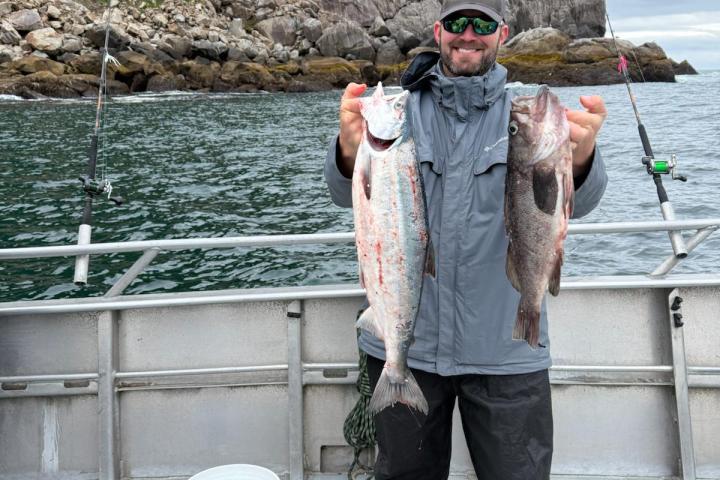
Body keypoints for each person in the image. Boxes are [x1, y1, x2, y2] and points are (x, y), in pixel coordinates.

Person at [324, 0, 609, 478]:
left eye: (482, 24)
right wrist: (349, 150)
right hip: (408, 349)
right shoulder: (400, 110)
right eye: (458, 23)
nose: (468, 34)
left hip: (507, 350)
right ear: (438, 32)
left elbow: (585, 201)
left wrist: (580, 160)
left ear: (502, 33)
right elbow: (340, 195)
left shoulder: (524, 117)